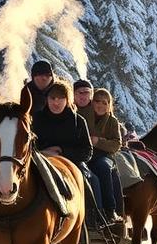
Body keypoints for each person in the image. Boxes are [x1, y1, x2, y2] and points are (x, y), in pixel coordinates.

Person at [32, 81, 106, 221]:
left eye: (60, 98)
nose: (56, 102)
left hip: (72, 163)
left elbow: (87, 151)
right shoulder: (37, 119)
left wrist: (61, 150)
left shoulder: (78, 121)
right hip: (40, 161)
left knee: (93, 181)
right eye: (52, 98)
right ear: (47, 99)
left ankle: (94, 220)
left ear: (67, 99)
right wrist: (44, 153)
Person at [88, 88, 124, 223]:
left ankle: (110, 210)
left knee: (103, 168)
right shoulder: (85, 116)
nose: (101, 105)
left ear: (109, 105)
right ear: (92, 102)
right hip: (85, 155)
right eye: (97, 101)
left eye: (105, 102)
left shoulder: (112, 122)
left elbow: (116, 144)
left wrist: (98, 141)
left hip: (104, 156)